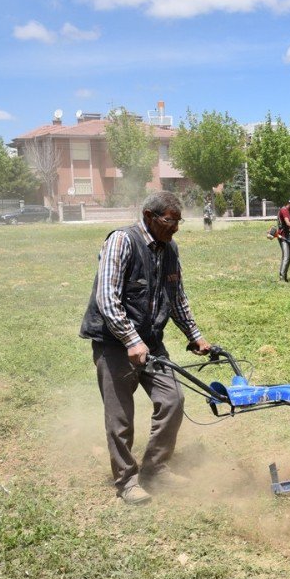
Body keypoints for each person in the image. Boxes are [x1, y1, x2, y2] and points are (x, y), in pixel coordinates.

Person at [80, 191, 213, 505]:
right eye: (170, 221)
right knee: (120, 417)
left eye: (179, 222)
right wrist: (130, 339)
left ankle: (155, 467)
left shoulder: (170, 249)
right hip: (114, 344)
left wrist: (195, 336)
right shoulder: (121, 241)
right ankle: (127, 481)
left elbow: (177, 298)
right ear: (150, 216)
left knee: (173, 400)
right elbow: (108, 299)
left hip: (151, 343)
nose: (176, 228)